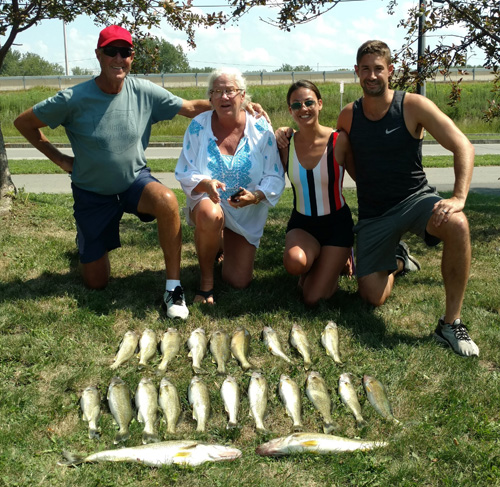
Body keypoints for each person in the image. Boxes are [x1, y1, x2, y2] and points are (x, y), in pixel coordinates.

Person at [13, 25, 265, 321]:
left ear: (132, 58)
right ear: (98, 55)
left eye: (126, 52)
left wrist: (241, 106)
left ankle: (173, 288)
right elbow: (23, 123)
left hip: (134, 183)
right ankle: (90, 244)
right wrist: (60, 159)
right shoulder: (73, 98)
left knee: (167, 200)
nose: (119, 58)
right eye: (111, 51)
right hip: (92, 193)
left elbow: (189, 107)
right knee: (96, 282)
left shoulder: (143, 90)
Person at [335, 40, 478, 357]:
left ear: (391, 71)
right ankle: (398, 260)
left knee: (457, 224)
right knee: (372, 297)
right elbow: (348, 163)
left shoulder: (413, 106)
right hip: (375, 214)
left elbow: (462, 145)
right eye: (366, 69)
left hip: (416, 200)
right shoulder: (348, 116)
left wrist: (458, 196)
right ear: (357, 72)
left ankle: (450, 323)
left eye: (379, 69)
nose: (372, 75)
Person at [175, 68, 285, 304]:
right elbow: (185, 170)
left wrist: (255, 196)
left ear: (242, 95)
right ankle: (206, 283)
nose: (224, 97)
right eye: (217, 91)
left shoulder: (260, 127)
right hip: (209, 207)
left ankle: (220, 242)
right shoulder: (198, 126)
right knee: (210, 214)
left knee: (239, 281)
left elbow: (274, 175)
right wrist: (205, 183)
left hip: (246, 212)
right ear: (210, 98)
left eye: (230, 91)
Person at [278, 80, 355, 306]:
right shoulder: (286, 143)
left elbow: (363, 177)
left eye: (309, 102)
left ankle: (342, 256)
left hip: (336, 226)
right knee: (294, 264)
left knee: (311, 297)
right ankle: (325, 264)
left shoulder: (339, 140)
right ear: (290, 111)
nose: (303, 108)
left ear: (320, 104)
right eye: (296, 105)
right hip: (303, 225)